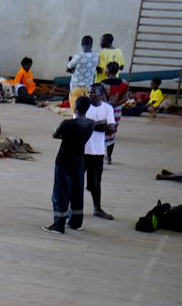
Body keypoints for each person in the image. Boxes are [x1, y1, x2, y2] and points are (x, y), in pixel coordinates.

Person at [44, 95, 93, 234]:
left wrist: (64, 136)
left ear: (75, 108)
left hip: (64, 161)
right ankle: (76, 223)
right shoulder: (91, 124)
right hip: (79, 162)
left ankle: (58, 225)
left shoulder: (67, 123)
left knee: (61, 193)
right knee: (77, 193)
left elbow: (55, 135)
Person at [84, 84, 116, 220]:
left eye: (93, 93)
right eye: (89, 92)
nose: (90, 95)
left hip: (97, 151)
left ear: (101, 94)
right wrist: (100, 123)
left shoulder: (107, 108)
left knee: (96, 182)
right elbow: (80, 124)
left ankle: (97, 208)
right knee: (75, 180)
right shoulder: (84, 105)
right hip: (82, 150)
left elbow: (111, 127)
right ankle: (72, 208)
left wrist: (90, 124)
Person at [99, 61, 129, 163]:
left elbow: (102, 100)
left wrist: (108, 106)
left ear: (107, 70)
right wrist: (114, 105)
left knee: (101, 133)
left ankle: (99, 155)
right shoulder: (123, 83)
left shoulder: (102, 83)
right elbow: (125, 98)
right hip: (116, 111)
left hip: (104, 110)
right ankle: (109, 157)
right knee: (112, 133)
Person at [67, 35, 98, 104]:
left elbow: (68, 69)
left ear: (81, 44)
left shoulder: (78, 56)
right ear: (91, 45)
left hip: (76, 86)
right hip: (89, 87)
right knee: (87, 106)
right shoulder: (96, 55)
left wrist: (75, 71)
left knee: (76, 107)